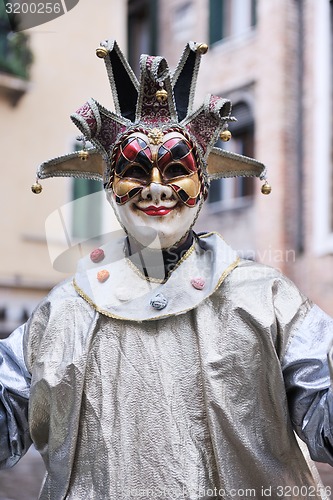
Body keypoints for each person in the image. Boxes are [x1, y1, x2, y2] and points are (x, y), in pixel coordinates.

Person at [1, 40, 333, 500]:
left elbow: (324, 418)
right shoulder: (61, 315)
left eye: (175, 169)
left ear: (203, 182)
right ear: (109, 184)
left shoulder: (268, 300)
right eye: (135, 171)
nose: (156, 190)